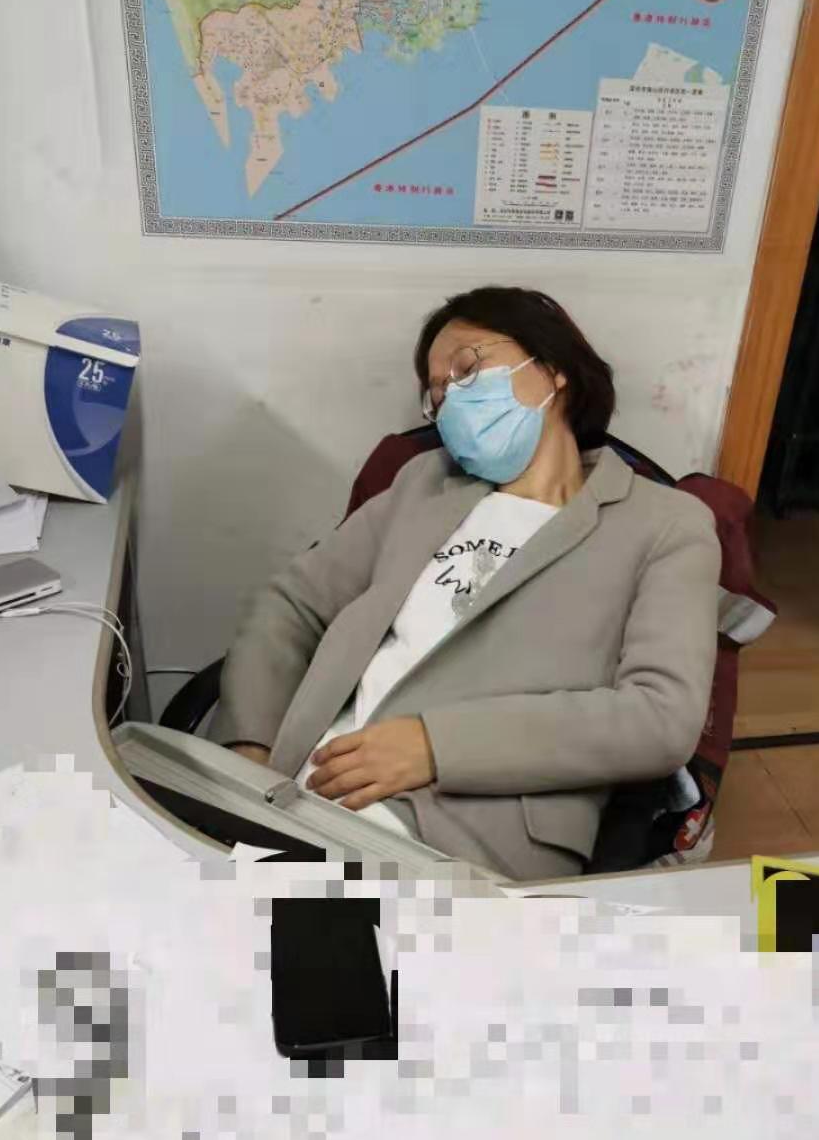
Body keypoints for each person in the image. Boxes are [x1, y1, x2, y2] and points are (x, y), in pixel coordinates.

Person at [210, 286, 721, 881]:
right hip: (288, 793)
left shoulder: (665, 524)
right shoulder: (424, 484)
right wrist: (249, 745)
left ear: (553, 368)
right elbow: (292, 603)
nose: (452, 397)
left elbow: (660, 717)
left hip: (462, 838)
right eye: (438, 392)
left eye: (467, 368)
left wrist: (435, 746)